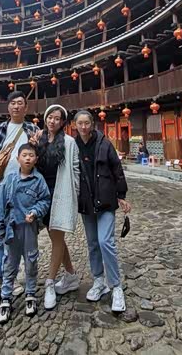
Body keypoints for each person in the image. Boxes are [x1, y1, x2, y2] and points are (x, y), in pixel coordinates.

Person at [0, 90, 40, 307]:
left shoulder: (33, 130)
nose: (16, 106)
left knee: (20, 235)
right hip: (0, 188)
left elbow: (39, 159)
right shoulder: (0, 130)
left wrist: (37, 145)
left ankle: (11, 277)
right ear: (8, 107)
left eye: (20, 103)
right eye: (13, 103)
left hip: (24, 191)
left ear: (26, 107)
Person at [74, 110, 131, 312]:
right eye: (80, 123)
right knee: (92, 243)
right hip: (86, 203)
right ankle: (99, 280)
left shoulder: (104, 144)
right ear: (75, 125)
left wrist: (121, 195)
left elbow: (117, 169)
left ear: (92, 124)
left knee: (105, 241)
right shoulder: (73, 146)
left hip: (106, 200)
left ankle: (116, 286)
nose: (83, 127)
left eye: (87, 123)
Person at [0, 143, 51, 324]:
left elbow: (45, 200)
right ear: (17, 158)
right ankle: (6, 297)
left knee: (31, 261)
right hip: (12, 228)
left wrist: (36, 212)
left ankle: (30, 293)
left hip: (29, 229)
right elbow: (0, 205)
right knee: (10, 264)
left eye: (31, 155)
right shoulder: (9, 179)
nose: (27, 158)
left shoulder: (39, 180)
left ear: (36, 159)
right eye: (24, 155)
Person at [33, 105, 81, 310]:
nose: (53, 121)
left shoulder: (69, 142)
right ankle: (71, 275)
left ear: (62, 122)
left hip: (60, 194)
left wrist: (74, 195)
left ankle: (50, 282)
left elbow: (76, 169)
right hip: (42, 195)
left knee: (57, 238)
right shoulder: (39, 139)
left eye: (57, 118)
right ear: (46, 119)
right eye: (50, 117)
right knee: (56, 239)